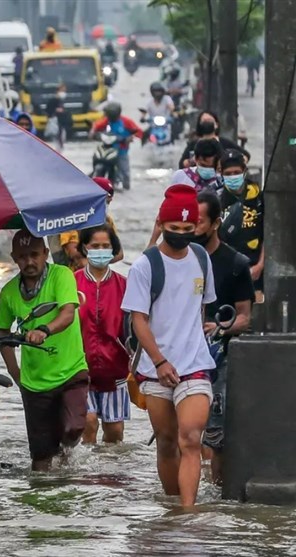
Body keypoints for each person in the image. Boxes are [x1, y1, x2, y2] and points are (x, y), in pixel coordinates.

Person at [121, 185, 217, 507]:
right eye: (174, 229)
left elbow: (201, 307)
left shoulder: (202, 259)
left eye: (188, 230)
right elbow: (139, 320)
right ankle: (173, 505)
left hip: (194, 365)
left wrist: (195, 339)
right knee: (166, 441)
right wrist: (160, 361)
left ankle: (187, 514)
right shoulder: (144, 267)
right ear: (161, 225)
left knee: (190, 438)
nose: (181, 234)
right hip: (155, 367)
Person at [0, 230, 88, 471]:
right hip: (34, 382)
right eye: (23, 256)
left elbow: (68, 313)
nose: (29, 262)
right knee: (40, 461)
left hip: (71, 370)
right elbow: (2, 333)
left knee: (74, 428)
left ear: (46, 253)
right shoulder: (8, 293)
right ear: (14, 258)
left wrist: (44, 330)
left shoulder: (62, 275)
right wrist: (16, 374)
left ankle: (69, 461)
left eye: (35, 255)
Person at [193, 191, 254, 484]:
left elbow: (245, 316)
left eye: (198, 221)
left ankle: (214, 496)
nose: (191, 228)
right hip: (182, 361)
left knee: (216, 437)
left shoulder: (236, 264)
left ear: (216, 222)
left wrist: (220, 328)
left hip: (220, 360)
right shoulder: (179, 260)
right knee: (183, 436)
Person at [75, 225, 129, 444]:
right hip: (79, 368)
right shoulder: (71, 282)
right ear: (85, 248)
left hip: (114, 368)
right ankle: (86, 477)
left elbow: (134, 327)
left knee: (115, 432)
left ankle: (109, 476)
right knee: (88, 423)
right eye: (95, 246)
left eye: (105, 246)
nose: (100, 250)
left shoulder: (124, 285)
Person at [218, 150, 265, 298]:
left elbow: (269, 234)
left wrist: (260, 265)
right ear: (221, 173)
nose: (233, 176)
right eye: (228, 173)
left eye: (236, 172)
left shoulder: (258, 197)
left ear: (244, 171)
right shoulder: (216, 200)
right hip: (227, 269)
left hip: (256, 268)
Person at [57, 177, 123, 270]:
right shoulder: (73, 218)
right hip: (73, 275)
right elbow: (73, 252)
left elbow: (119, 254)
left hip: (101, 273)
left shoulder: (107, 220)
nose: (109, 200)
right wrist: (104, 253)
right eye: (105, 200)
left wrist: (99, 261)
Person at [89, 102, 142, 190]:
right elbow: (96, 126)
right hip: (108, 148)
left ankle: (126, 186)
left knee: (124, 170)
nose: (108, 116)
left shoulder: (126, 121)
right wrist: (92, 132)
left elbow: (139, 131)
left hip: (121, 150)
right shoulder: (107, 121)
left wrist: (130, 137)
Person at [178, 110, 249, 169]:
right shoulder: (193, 144)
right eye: (204, 121)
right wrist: (192, 161)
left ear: (216, 125)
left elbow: (246, 155)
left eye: (209, 121)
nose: (207, 123)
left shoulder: (225, 143)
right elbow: (182, 164)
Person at [45, 84, 71, 150]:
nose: (64, 92)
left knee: (61, 138)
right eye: (62, 90)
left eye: (65, 91)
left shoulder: (63, 100)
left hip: (62, 124)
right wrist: (55, 111)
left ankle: (60, 149)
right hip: (55, 123)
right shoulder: (53, 100)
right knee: (57, 139)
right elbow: (48, 110)